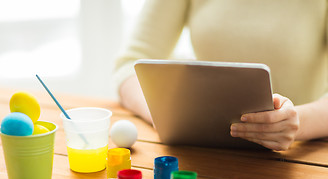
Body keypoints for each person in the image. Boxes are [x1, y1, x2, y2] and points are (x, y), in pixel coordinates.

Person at [113, 0, 328, 151]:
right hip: (202, 154)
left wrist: (297, 123)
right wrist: (163, 114)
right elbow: (129, 64)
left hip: (300, 157)